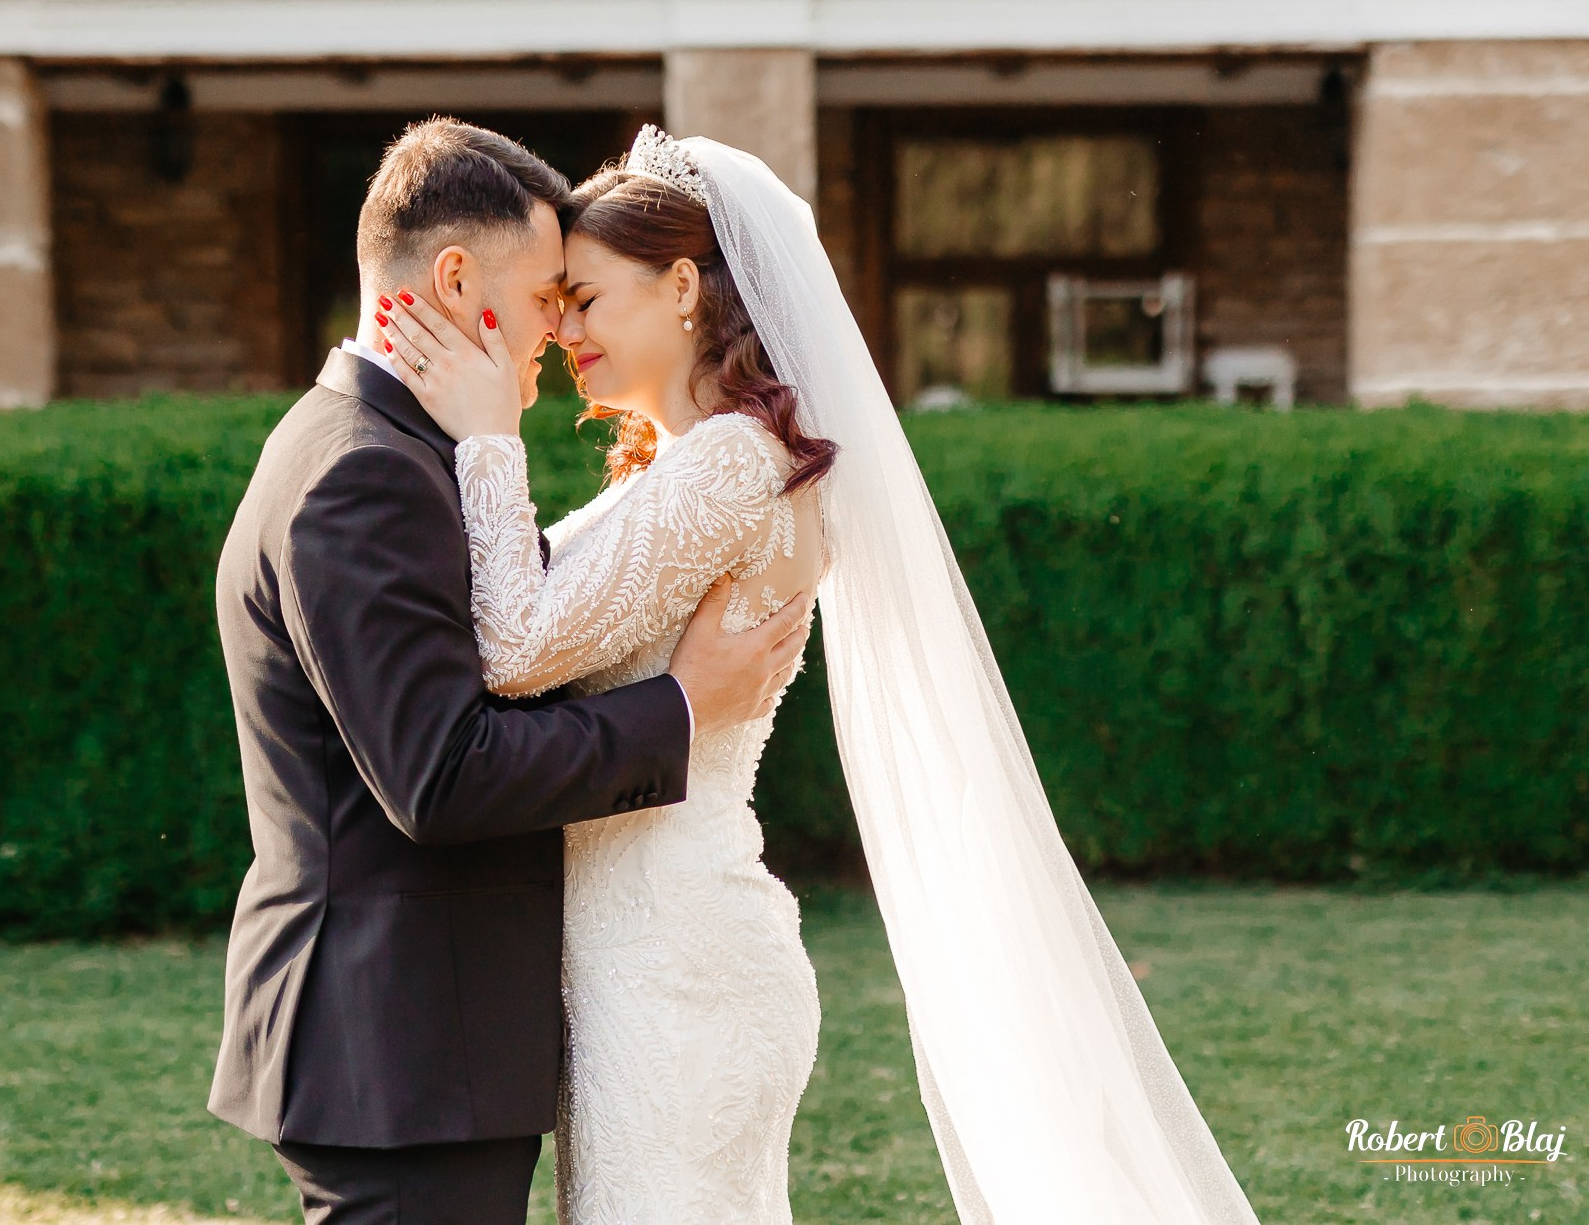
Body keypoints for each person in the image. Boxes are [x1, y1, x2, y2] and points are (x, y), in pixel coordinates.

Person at [375, 124, 1267, 1225]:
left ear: (684, 286)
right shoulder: (694, 460)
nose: (559, 332)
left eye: (587, 300)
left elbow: (512, 649)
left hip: (672, 966)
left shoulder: (730, 464)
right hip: (647, 958)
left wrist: (485, 436)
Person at [205, 117, 813, 1225]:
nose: (558, 328)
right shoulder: (366, 474)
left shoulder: (387, 448)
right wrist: (676, 713)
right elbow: (442, 774)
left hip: (471, 1034)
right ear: (452, 277)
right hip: (400, 1049)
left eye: (581, 297)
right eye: (549, 294)